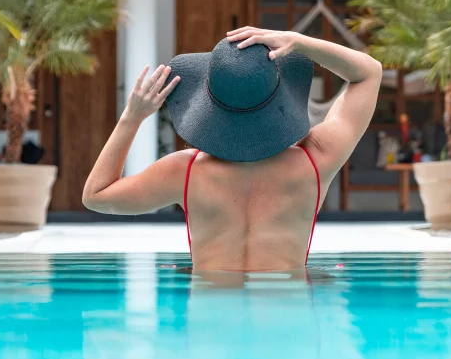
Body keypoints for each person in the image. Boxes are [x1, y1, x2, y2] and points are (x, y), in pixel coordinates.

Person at [82, 27, 382, 272]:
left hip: (212, 327)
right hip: (288, 324)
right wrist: (298, 41)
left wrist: (131, 118)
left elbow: (96, 196)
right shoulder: (316, 160)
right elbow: (369, 72)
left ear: (208, 102)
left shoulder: (185, 172)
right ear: (279, 96)